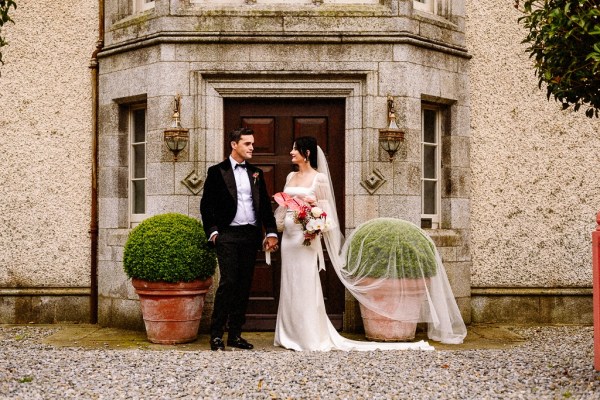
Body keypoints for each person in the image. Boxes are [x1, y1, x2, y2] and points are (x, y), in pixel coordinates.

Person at [273, 136, 466, 351]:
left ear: (306, 153)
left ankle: (308, 335)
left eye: (295, 149)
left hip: (305, 240)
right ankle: (288, 333)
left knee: (305, 283)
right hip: (289, 240)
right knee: (289, 283)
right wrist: (277, 227)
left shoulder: (319, 179)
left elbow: (327, 215)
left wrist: (314, 208)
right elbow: (283, 206)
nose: (291, 152)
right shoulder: (290, 176)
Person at [200, 127, 279, 351]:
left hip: (250, 235)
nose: (252, 147)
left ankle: (235, 335)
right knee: (228, 283)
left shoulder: (256, 173)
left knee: (244, 286)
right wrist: (213, 232)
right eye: (247, 144)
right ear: (234, 145)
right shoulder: (217, 171)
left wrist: (271, 232)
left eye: (253, 144)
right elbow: (207, 206)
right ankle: (216, 335)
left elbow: (264, 204)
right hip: (227, 235)